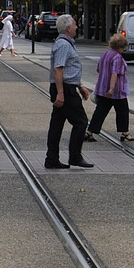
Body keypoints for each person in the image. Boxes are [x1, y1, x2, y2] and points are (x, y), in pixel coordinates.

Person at [46, 14, 93, 168]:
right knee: (81, 122)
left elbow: (67, 68)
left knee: (57, 123)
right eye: (74, 25)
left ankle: (52, 159)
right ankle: (75, 156)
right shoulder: (64, 45)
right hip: (64, 88)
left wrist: (80, 86)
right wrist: (61, 93)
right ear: (68, 28)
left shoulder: (65, 43)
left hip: (66, 86)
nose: (76, 27)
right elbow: (58, 69)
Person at [86, 33, 132, 142]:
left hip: (102, 89)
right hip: (116, 91)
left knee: (100, 112)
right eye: (123, 48)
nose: (123, 50)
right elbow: (114, 73)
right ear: (121, 46)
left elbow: (98, 69)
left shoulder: (105, 54)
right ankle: (124, 132)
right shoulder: (118, 57)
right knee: (123, 111)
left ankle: (89, 132)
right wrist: (111, 88)